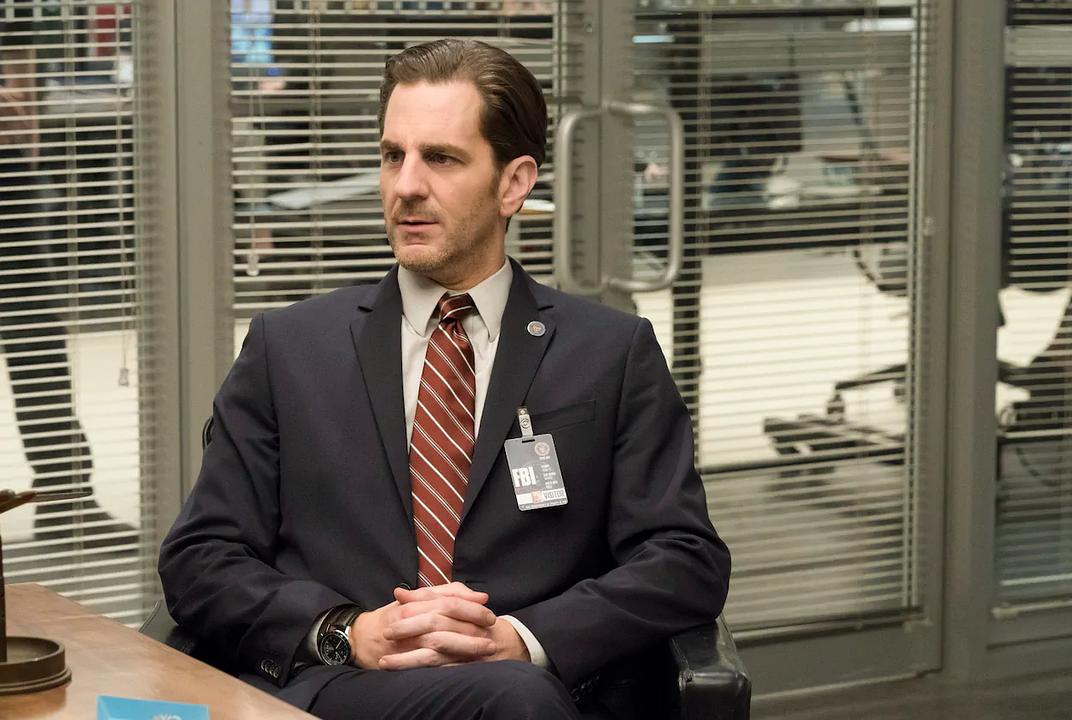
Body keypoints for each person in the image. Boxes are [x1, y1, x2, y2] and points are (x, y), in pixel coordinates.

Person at [159, 38, 730, 720]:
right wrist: (347, 631)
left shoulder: (610, 352)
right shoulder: (288, 349)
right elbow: (201, 557)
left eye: (440, 158)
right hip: (346, 693)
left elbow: (684, 557)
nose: (405, 186)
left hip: (537, 693)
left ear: (513, 183)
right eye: (392, 156)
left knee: (515, 695)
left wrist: (523, 640)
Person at [1, 2, 129, 545]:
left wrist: (25, 136)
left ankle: (65, 500)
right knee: (37, 344)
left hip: (14, 180)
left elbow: (21, 76)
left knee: (38, 345)